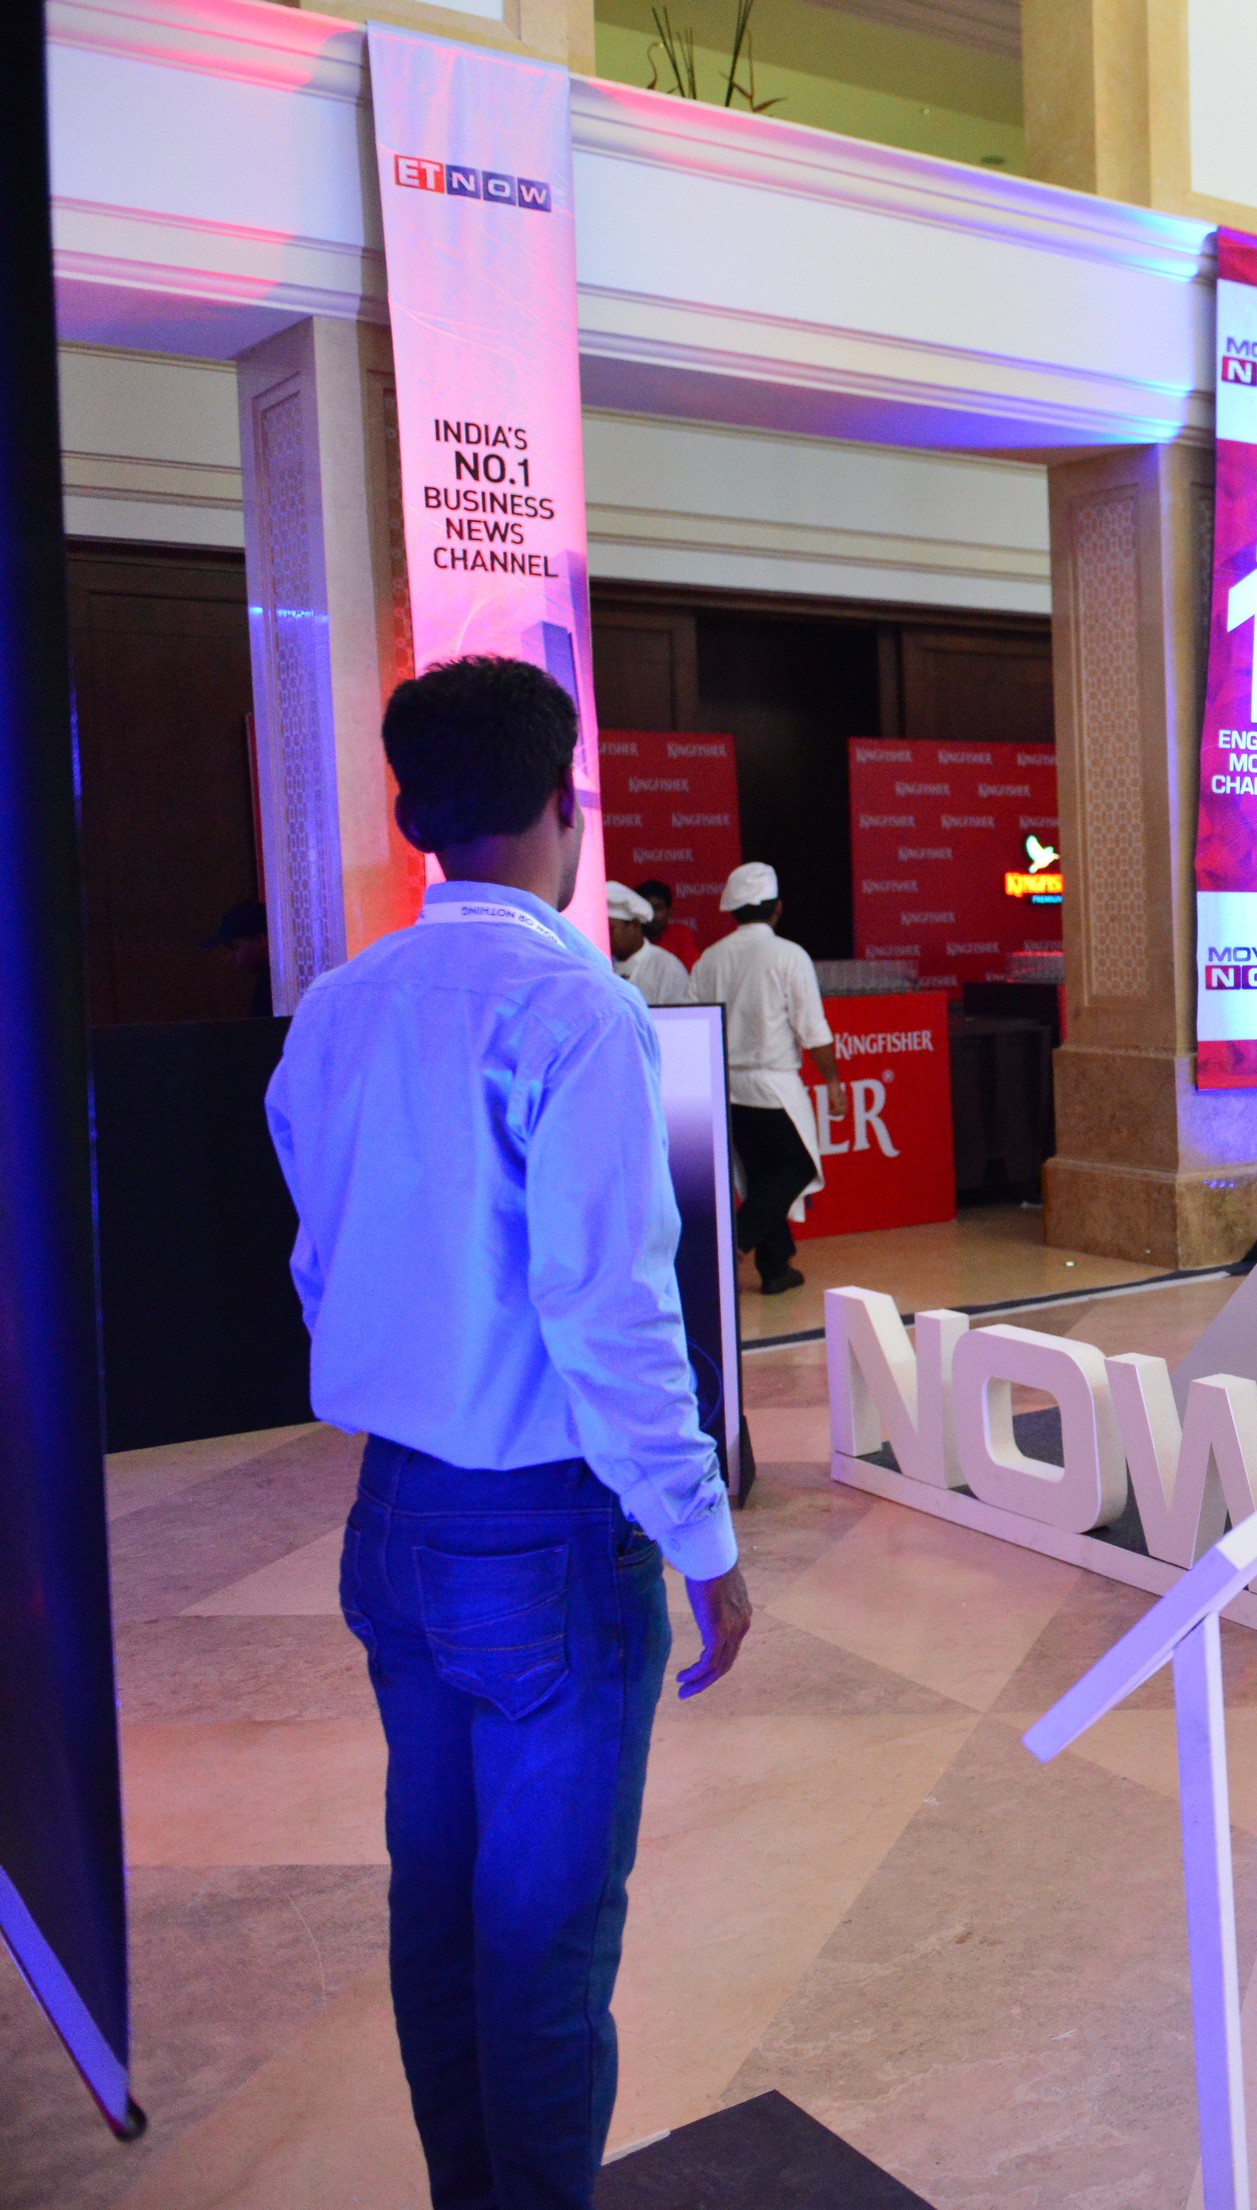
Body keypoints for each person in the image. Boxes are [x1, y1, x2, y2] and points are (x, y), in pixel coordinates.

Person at [262, 655, 749, 2210]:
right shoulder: (577, 1008)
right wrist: (703, 1538)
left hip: (394, 1522)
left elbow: (322, 1261)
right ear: (566, 805)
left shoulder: (338, 1009)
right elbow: (614, 1310)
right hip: (542, 1536)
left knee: (441, 1918)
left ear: (412, 816)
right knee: (542, 1950)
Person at [692, 863, 838, 1293]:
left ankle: (776, 1270)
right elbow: (812, 1029)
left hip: (728, 1086)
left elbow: (694, 1020)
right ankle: (734, 1241)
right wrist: (833, 1081)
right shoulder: (788, 955)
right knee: (797, 1165)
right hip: (773, 1085)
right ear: (777, 909)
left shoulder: (710, 958)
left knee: (760, 1176)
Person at [606, 882, 691, 1005]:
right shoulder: (601, 965)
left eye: (610, 929)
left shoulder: (665, 967)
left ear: (634, 925)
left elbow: (681, 1014)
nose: (606, 936)